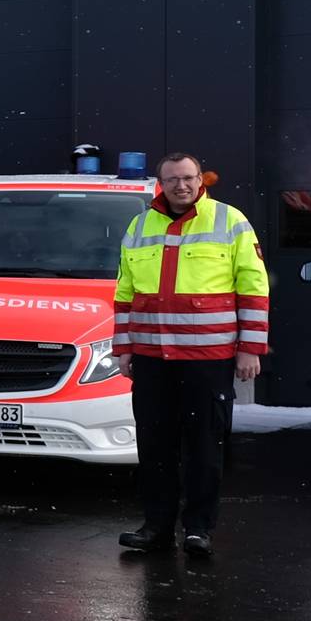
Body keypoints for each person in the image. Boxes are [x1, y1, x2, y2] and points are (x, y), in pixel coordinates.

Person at [115, 152, 267, 556]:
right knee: (154, 447)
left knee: (203, 446)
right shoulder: (140, 223)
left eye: (188, 178)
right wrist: (124, 348)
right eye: (171, 180)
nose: (180, 186)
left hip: (207, 359)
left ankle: (199, 529)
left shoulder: (229, 220)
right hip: (151, 358)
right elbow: (124, 291)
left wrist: (250, 348)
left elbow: (253, 286)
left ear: (201, 179)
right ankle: (156, 527)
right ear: (159, 184)